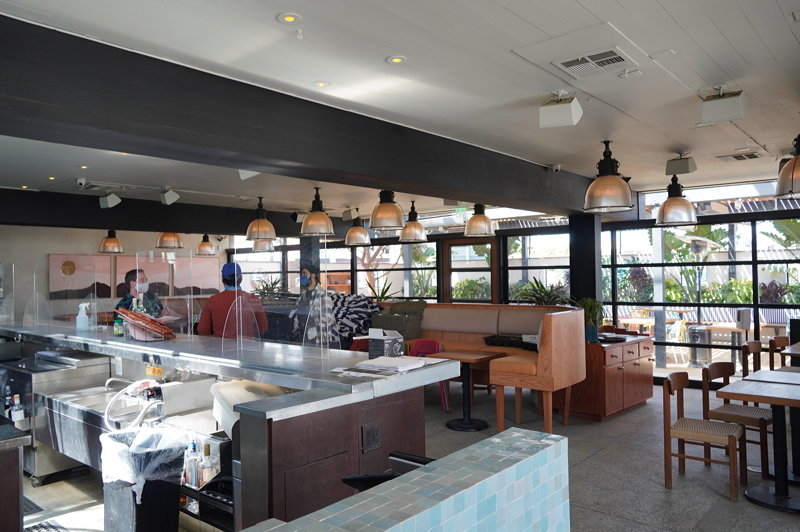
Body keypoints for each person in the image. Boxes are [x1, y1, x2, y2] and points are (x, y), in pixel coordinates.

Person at [197, 262, 267, 339]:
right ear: (241, 278)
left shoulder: (213, 300)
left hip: (221, 346)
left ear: (222, 279)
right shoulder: (253, 299)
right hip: (248, 345)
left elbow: (203, 330)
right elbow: (263, 328)